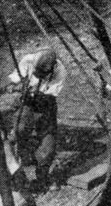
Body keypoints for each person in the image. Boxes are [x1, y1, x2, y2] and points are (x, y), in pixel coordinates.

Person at [8, 46, 67, 191]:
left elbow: (50, 95)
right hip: (27, 102)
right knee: (19, 130)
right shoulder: (28, 60)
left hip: (46, 104)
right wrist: (15, 86)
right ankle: (19, 164)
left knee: (48, 146)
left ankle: (42, 178)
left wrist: (35, 92)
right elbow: (13, 80)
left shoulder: (60, 71)